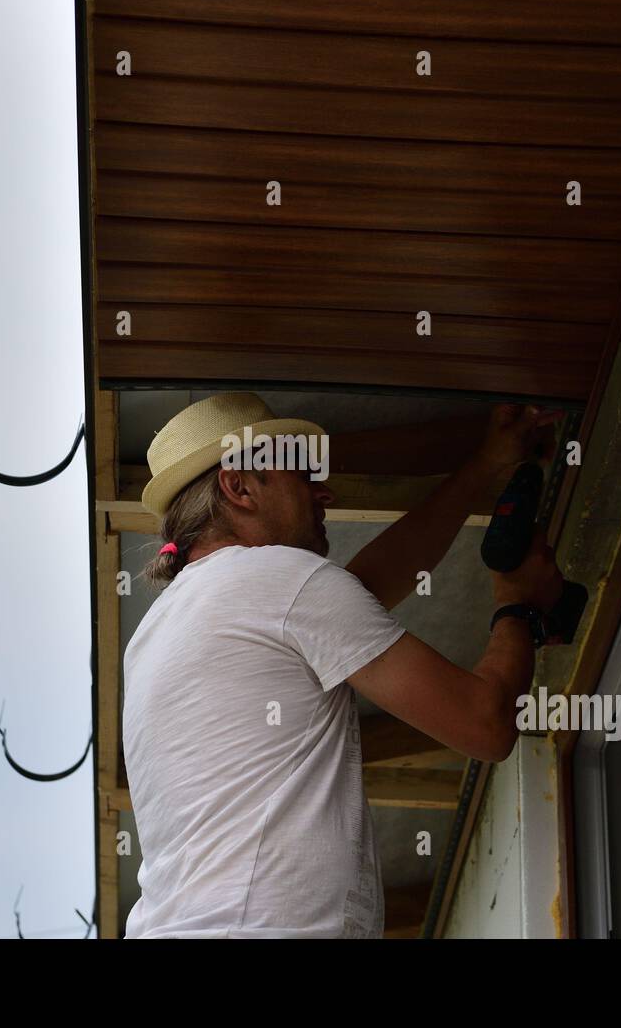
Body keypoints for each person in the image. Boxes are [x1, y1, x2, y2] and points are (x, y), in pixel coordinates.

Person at [122, 392, 565, 938]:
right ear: (238, 486)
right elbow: (486, 724)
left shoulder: (164, 627)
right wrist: (517, 605)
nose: (323, 490)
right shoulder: (280, 582)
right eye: (301, 474)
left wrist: (484, 468)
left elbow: (366, 585)